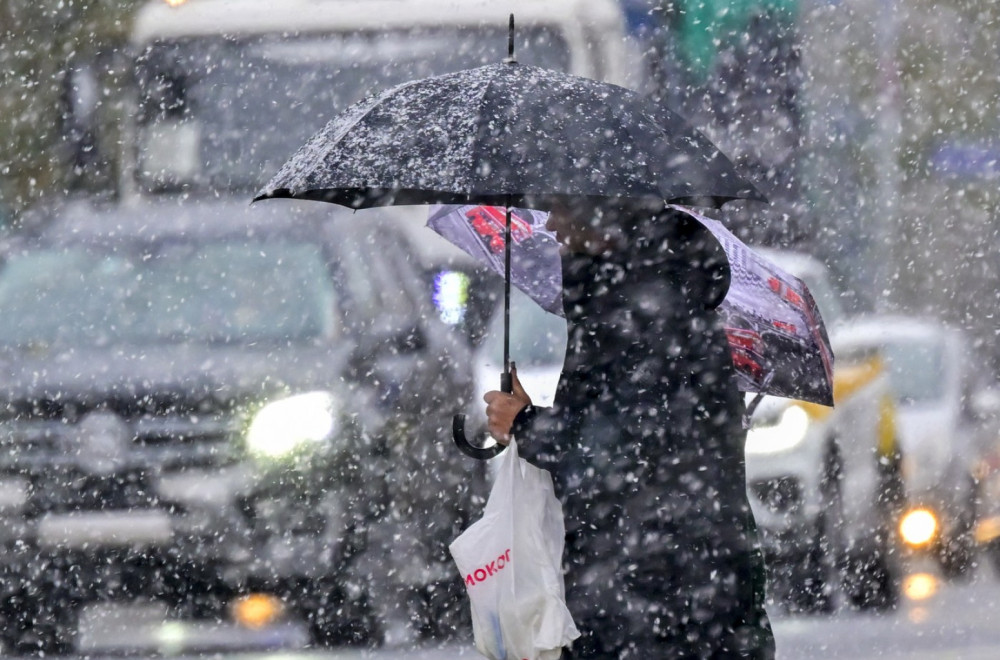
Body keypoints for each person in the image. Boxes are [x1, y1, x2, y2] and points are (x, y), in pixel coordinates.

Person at [483, 200, 775, 659]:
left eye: (563, 207)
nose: (553, 224)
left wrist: (525, 423)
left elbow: (622, 451)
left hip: (657, 591)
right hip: (678, 583)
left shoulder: (643, 314)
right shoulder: (648, 299)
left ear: (609, 217)